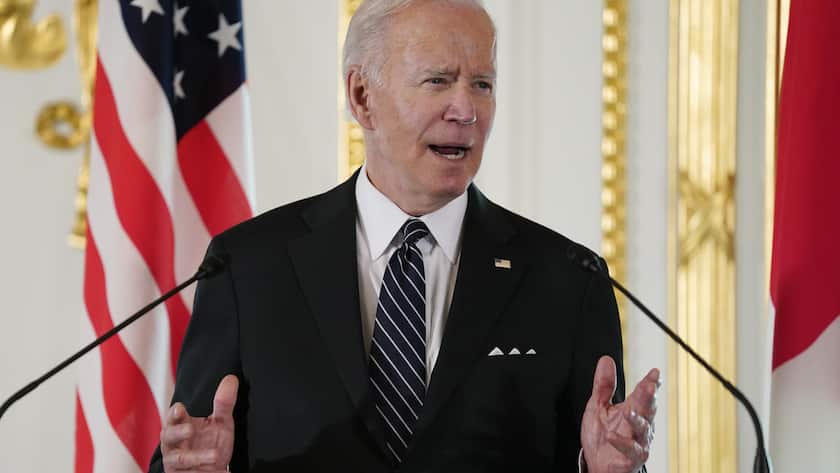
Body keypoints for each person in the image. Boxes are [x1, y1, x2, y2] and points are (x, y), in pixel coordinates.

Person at [148, 0, 660, 472]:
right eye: (439, 81)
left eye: (482, 83)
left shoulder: (568, 279)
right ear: (362, 96)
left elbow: (602, 451)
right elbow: (188, 450)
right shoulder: (247, 267)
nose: (467, 110)